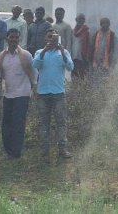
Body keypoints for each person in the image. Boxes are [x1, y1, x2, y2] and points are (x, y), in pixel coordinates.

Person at [32, 28, 74, 159]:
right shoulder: (39, 52)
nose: (51, 39)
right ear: (45, 39)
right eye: (49, 37)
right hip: (43, 93)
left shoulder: (64, 52)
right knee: (44, 123)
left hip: (58, 93)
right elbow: (35, 64)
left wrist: (62, 51)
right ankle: (44, 150)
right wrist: (44, 51)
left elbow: (70, 67)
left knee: (61, 122)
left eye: (54, 37)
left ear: (58, 38)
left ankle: (62, 149)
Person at [0, 29, 36, 159]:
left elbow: (34, 73)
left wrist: (33, 88)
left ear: (19, 40)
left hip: (22, 94)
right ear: (7, 39)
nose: (14, 40)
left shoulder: (25, 55)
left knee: (18, 124)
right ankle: (8, 151)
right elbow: (1, 75)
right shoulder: (2, 56)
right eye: (11, 37)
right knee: (6, 124)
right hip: (8, 94)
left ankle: (16, 153)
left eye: (16, 38)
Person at [72, 13, 90, 78]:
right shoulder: (72, 31)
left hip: (83, 57)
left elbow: (89, 44)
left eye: (82, 19)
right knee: (74, 75)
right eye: (79, 19)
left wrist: (87, 56)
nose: (81, 20)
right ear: (76, 20)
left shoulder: (86, 31)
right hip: (73, 57)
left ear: (84, 21)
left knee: (82, 75)